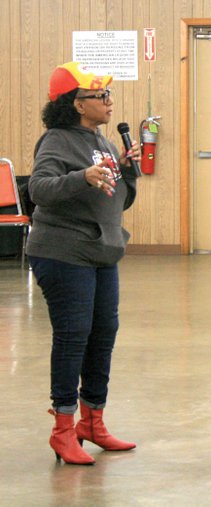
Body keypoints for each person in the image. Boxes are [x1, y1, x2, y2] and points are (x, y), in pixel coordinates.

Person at [27, 62, 140, 465]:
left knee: (103, 333)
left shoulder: (104, 142)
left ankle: (92, 422)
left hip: (102, 250)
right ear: (77, 104)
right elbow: (39, 190)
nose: (109, 102)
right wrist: (81, 177)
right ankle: (62, 429)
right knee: (74, 335)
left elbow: (117, 200)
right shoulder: (56, 140)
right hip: (63, 251)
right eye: (100, 96)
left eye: (108, 95)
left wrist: (127, 173)